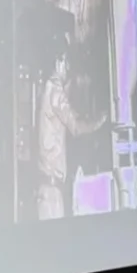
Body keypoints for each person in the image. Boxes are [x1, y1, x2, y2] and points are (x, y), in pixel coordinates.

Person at [37, 46, 107, 220]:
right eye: (66, 63)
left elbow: (72, 115)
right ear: (58, 62)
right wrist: (100, 122)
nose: (68, 69)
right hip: (51, 192)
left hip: (50, 189)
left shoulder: (50, 89)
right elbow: (75, 125)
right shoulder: (54, 89)